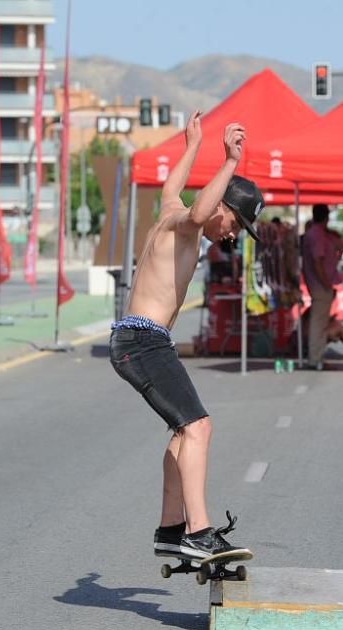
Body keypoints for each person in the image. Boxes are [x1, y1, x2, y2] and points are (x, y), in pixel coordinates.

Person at [109, 111, 261, 562]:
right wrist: (229, 161)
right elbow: (198, 209)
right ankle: (199, 531)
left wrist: (192, 144)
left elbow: (171, 189)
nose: (233, 235)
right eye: (235, 224)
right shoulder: (189, 223)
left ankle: (171, 528)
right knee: (198, 428)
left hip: (139, 341)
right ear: (221, 206)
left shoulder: (170, 213)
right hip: (142, 342)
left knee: (181, 433)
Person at [301, 203, 343, 370]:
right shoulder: (318, 235)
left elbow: (340, 246)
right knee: (319, 323)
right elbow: (318, 261)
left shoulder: (316, 233)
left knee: (320, 322)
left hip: (317, 283)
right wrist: (327, 284)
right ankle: (315, 358)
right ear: (327, 217)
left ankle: (316, 357)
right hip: (321, 284)